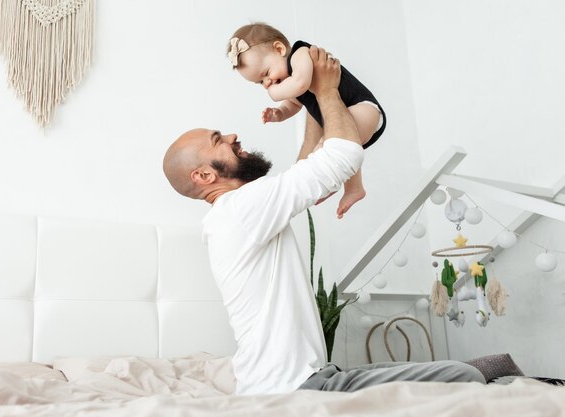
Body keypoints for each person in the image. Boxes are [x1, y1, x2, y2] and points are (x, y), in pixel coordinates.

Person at [163, 46, 484, 395]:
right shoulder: (241, 208)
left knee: (457, 373)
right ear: (205, 176)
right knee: (466, 376)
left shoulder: (234, 214)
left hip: (293, 380)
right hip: (294, 387)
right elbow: (343, 155)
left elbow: (306, 172)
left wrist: (313, 103)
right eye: (217, 141)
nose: (232, 136)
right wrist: (327, 89)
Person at [226, 23, 387, 219]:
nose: (267, 83)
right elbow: (293, 104)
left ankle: (329, 183)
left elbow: (300, 84)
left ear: (279, 49)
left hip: (364, 109)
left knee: (328, 146)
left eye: (266, 74)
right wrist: (279, 113)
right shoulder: (289, 81)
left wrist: (274, 94)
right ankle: (354, 188)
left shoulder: (300, 54)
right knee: (338, 145)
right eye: (260, 83)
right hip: (348, 118)